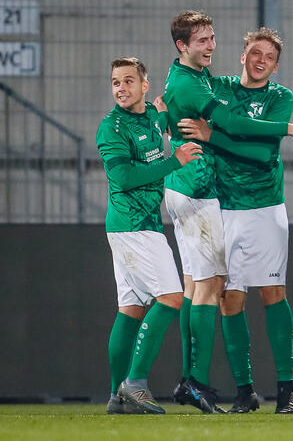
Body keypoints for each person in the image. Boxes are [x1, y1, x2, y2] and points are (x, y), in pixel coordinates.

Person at [163, 11, 293, 413]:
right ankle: (244, 391)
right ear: (243, 56)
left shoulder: (280, 97)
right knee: (228, 299)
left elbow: (260, 152)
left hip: (266, 207)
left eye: (269, 56)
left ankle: (287, 388)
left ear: (275, 65)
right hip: (223, 207)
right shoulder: (219, 87)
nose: (261, 59)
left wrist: (212, 136)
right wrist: (162, 113)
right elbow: (176, 100)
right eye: (255, 51)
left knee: (273, 293)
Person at [97, 57, 202, 415]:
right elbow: (124, 178)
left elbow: (154, 125)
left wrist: (159, 114)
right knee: (172, 298)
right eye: (115, 83)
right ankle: (135, 383)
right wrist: (176, 161)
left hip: (137, 226)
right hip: (133, 224)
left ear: (144, 85)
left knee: (130, 308)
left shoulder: (148, 120)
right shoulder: (111, 128)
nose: (120, 88)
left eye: (128, 81)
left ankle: (115, 397)